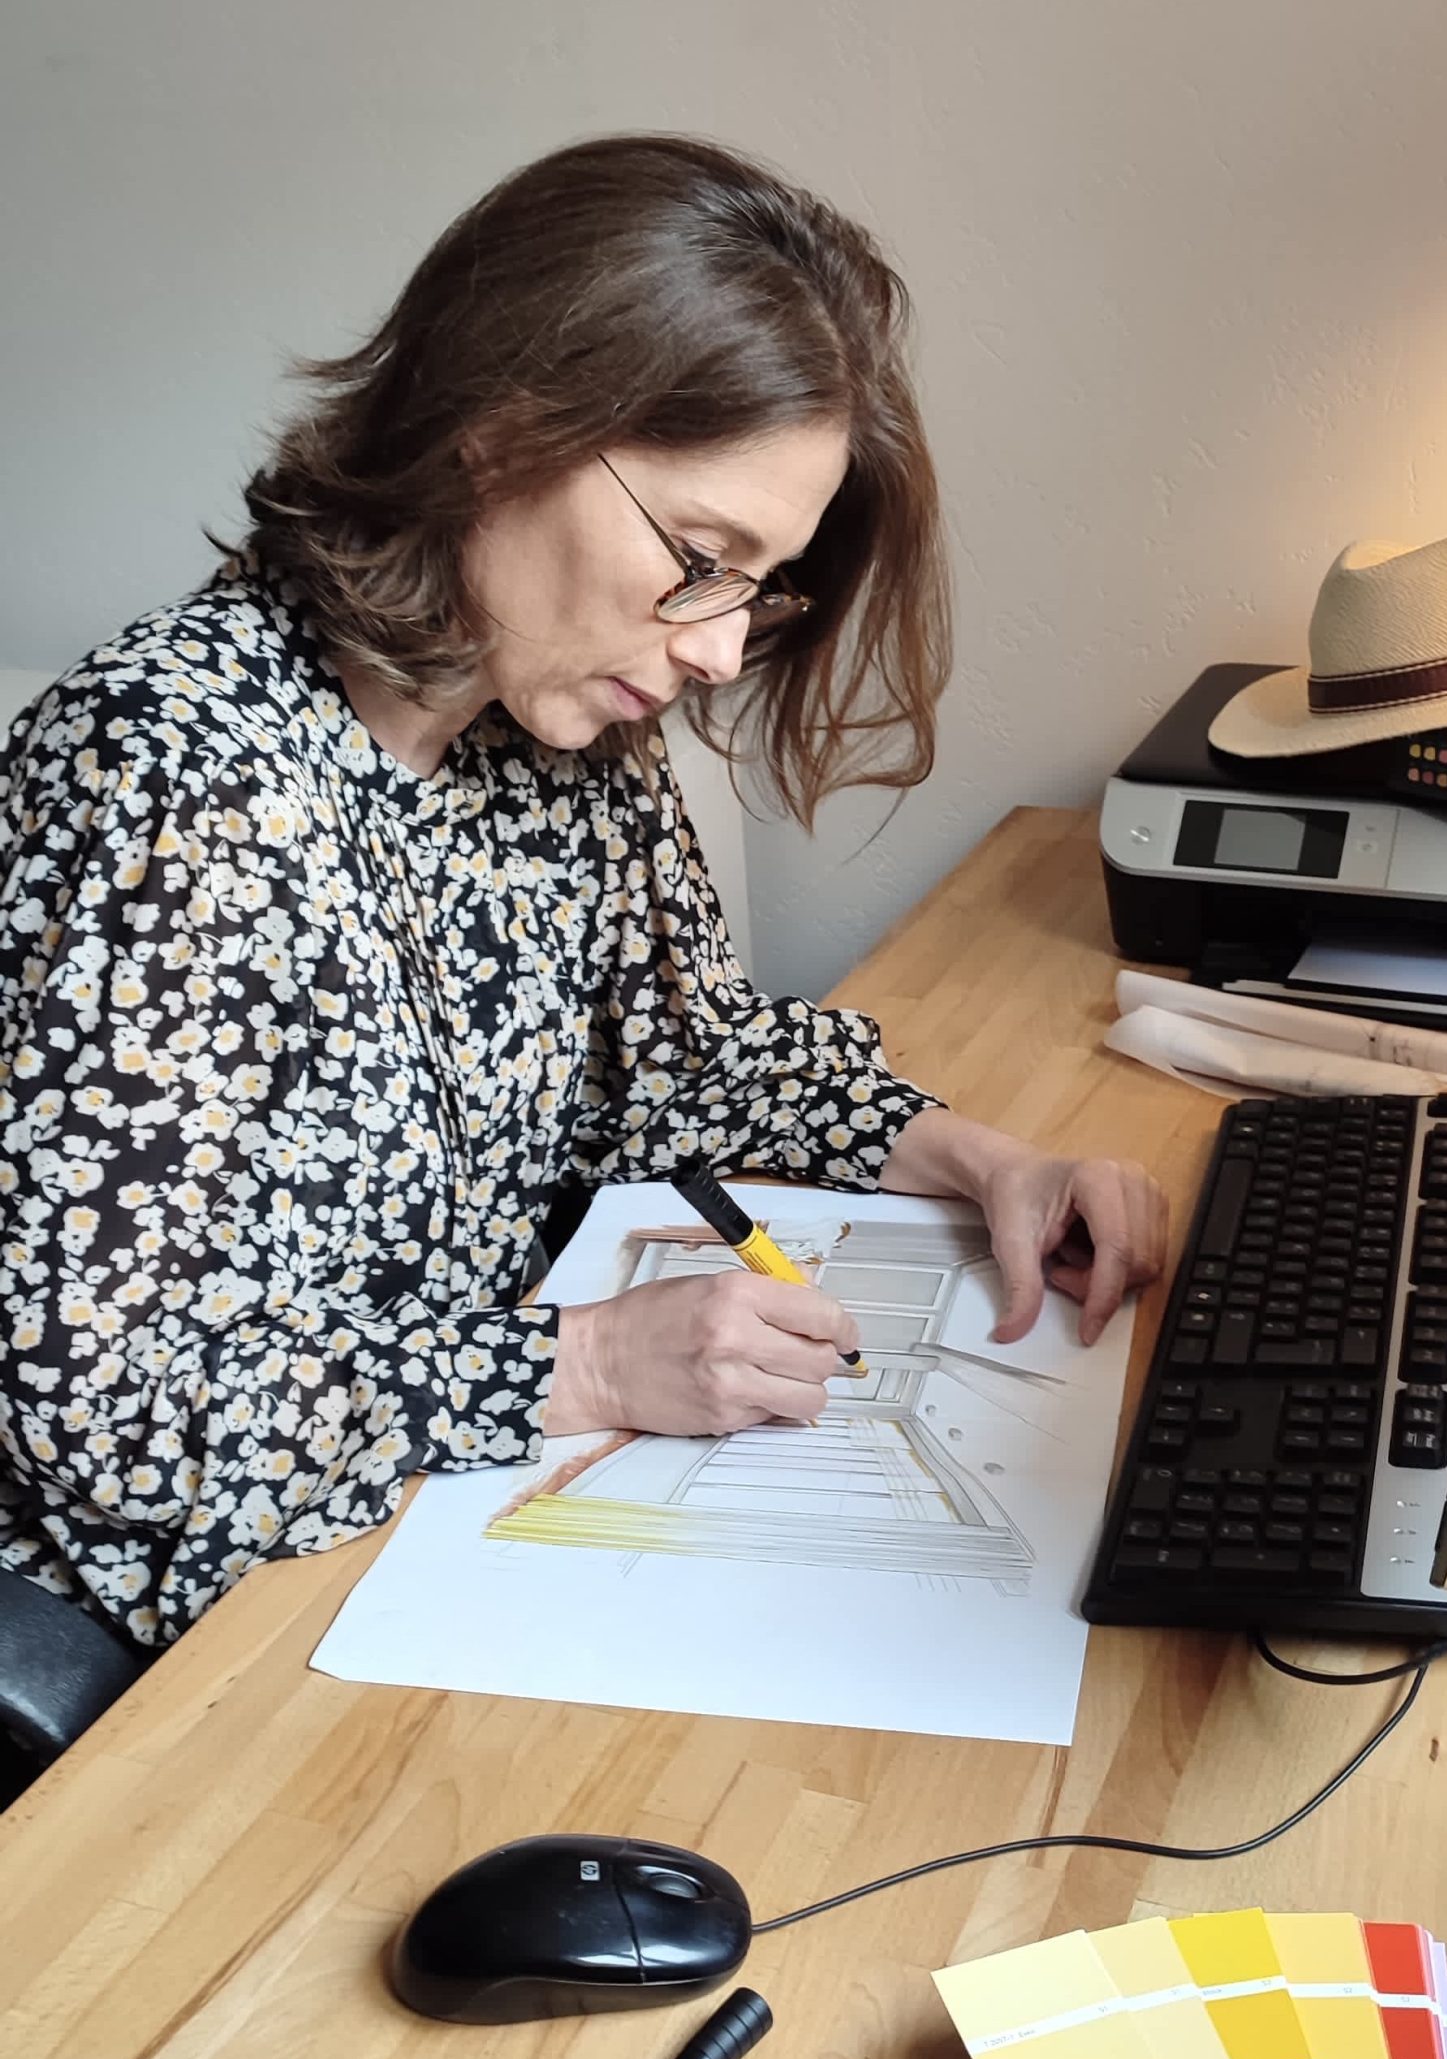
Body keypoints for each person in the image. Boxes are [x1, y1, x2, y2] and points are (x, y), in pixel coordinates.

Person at [0, 133, 1166, 1655]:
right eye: (699, 556)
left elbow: (691, 1065)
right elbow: (107, 1404)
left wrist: (979, 1162)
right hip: (197, 1626)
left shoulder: (553, 732)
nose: (718, 649)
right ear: (500, 432)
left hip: (457, 1526)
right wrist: (589, 1370)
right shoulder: (169, 776)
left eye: (757, 583)